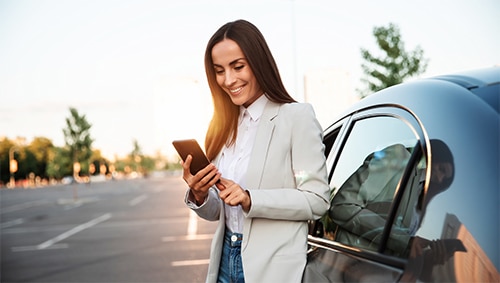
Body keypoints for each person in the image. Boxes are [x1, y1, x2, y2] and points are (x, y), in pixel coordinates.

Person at [180, 19, 330, 283]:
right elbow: (219, 212)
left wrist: (251, 199)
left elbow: (315, 199)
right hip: (225, 261)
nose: (228, 80)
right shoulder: (222, 128)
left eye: (238, 67)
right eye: (219, 70)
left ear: (258, 62)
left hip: (273, 268)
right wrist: (200, 194)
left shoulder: (296, 118)